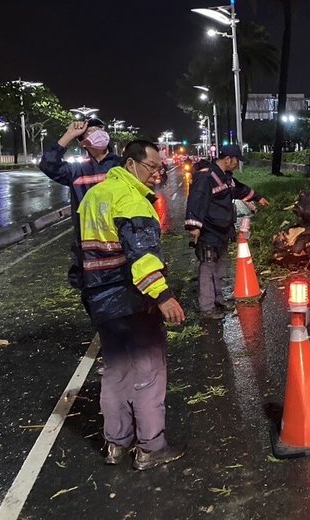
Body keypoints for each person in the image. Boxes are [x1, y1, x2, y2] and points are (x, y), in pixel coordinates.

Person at [77, 139, 186, 470]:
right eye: (151, 167)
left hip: (101, 301)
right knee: (148, 372)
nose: (156, 174)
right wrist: (163, 296)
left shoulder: (94, 197)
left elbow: (79, 252)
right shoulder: (131, 201)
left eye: (159, 168)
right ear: (129, 165)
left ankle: (116, 444)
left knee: (114, 373)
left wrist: (89, 291)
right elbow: (142, 256)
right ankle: (151, 448)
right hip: (132, 301)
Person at [184, 144, 268, 320]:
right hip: (208, 231)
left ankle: (218, 299)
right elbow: (196, 201)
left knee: (220, 267)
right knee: (207, 267)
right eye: (237, 160)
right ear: (228, 159)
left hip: (222, 230)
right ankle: (207, 307)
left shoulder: (226, 178)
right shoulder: (206, 177)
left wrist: (257, 197)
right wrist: (194, 227)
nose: (238, 164)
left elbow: (239, 189)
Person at [39, 118, 121, 288]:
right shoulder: (77, 171)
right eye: (90, 132)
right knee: (96, 300)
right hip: (90, 250)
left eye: (100, 129)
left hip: (122, 244)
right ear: (83, 142)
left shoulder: (122, 165)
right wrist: (69, 135)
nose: (97, 134)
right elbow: (48, 164)